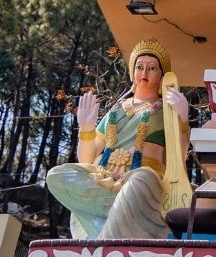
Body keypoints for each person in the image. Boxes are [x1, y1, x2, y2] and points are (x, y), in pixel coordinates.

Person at [47, 38, 190, 240]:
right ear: (132, 72)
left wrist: (182, 121)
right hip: (104, 177)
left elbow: (179, 157)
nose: (144, 73)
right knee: (58, 174)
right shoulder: (116, 110)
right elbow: (86, 158)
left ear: (161, 76)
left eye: (152, 68)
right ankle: (117, 208)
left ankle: (109, 237)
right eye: (139, 67)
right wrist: (86, 127)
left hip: (140, 181)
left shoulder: (166, 110)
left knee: (140, 179)